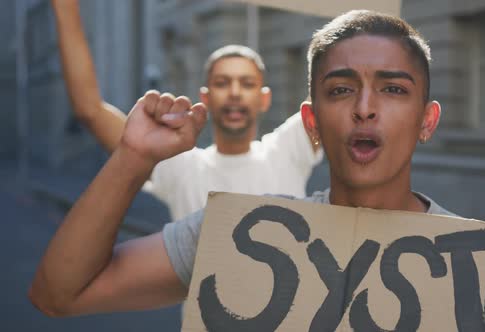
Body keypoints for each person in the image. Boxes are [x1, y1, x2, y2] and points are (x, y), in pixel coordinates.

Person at [29, 9, 454, 318]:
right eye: (341, 90)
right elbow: (59, 293)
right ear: (313, 122)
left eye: (393, 90)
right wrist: (132, 157)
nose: (365, 108)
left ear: (427, 120)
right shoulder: (231, 231)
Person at [51, 0, 323, 221]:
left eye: (247, 83)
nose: (235, 92)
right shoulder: (182, 168)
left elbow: (337, 85)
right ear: (205, 97)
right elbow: (89, 110)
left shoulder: (289, 149)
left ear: (264, 99)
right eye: (222, 82)